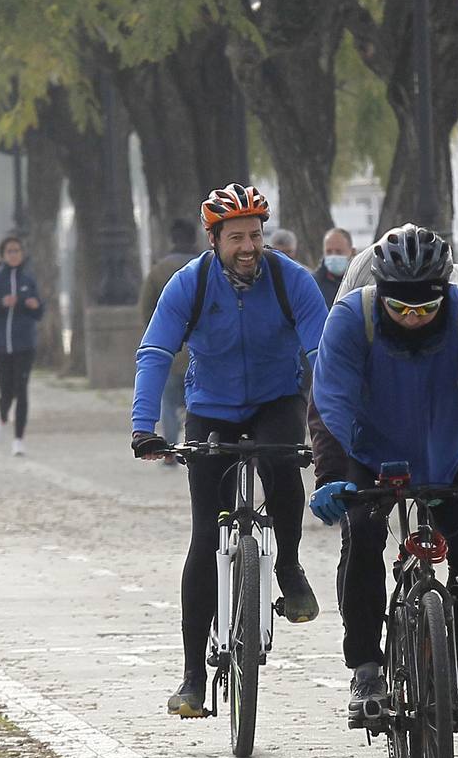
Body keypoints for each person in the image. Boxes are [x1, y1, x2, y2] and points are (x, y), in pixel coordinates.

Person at [308, 223, 458, 729]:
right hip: (370, 453)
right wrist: (329, 475)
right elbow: (329, 402)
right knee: (363, 541)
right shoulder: (352, 317)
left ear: (446, 292)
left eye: (425, 308)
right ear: (381, 294)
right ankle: (367, 670)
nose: (413, 318)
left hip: (447, 452)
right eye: (402, 308)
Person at [131, 183, 329, 718]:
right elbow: (155, 351)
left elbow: (323, 351)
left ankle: (288, 566)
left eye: (255, 235)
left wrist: (336, 421)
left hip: (276, 398)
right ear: (213, 239)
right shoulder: (188, 285)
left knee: (284, 466)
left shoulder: (293, 282)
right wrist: (143, 426)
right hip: (211, 406)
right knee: (203, 537)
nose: (248, 246)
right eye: (236, 236)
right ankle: (194, 676)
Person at [0, 236, 44, 456]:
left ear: (22, 254)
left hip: (24, 344)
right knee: (6, 391)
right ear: (3, 255)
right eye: (10, 251)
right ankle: (3, 418)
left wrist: (34, 306)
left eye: (17, 251)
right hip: (0, 345)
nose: (14, 255)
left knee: (21, 390)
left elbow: (40, 312)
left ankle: (19, 439)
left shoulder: (28, 280)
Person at [137, 218, 200, 462]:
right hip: (201, 353)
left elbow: (145, 310)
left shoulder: (158, 271)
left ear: (172, 239)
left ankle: (170, 452)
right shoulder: (206, 267)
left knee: (169, 402)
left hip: (171, 352)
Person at [314, 227, 354, 307]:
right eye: (329, 251)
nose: (333, 256)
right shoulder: (314, 284)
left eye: (339, 252)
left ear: (352, 252)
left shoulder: (362, 282)